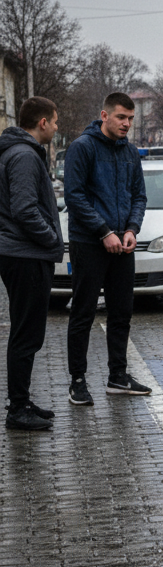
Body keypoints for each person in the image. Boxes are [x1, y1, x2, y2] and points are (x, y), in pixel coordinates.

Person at [64, 92, 150, 406]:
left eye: (130, 118)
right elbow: (75, 197)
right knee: (83, 313)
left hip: (122, 246)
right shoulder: (82, 148)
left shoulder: (131, 152)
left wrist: (131, 229)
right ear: (105, 115)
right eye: (121, 118)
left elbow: (139, 196)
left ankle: (118, 377)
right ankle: (77, 381)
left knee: (121, 312)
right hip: (89, 243)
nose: (127, 124)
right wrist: (103, 232)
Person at [0, 97, 64, 430]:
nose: (56, 127)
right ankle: (18, 409)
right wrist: (51, 239)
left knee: (27, 332)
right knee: (26, 333)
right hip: (26, 255)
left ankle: (22, 401)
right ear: (42, 123)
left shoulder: (18, 152)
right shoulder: (25, 155)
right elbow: (24, 209)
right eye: (54, 121)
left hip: (21, 253)